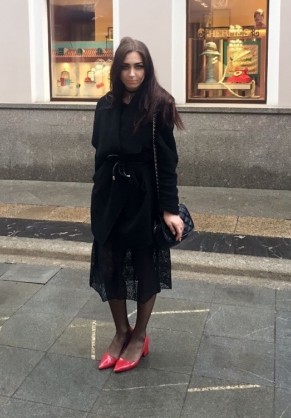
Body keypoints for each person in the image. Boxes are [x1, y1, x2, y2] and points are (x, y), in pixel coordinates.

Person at [90, 36, 184, 373]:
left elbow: (168, 162)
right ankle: (121, 332)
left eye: (139, 66)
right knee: (109, 263)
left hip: (143, 198)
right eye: (126, 67)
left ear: (147, 68)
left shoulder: (159, 105)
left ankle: (140, 335)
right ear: (117, 69)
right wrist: (99, 189)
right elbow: (99, 150)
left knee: (144, 266)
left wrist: (169, 208)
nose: (132, 73)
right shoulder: (104, 105)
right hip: (108, 195)